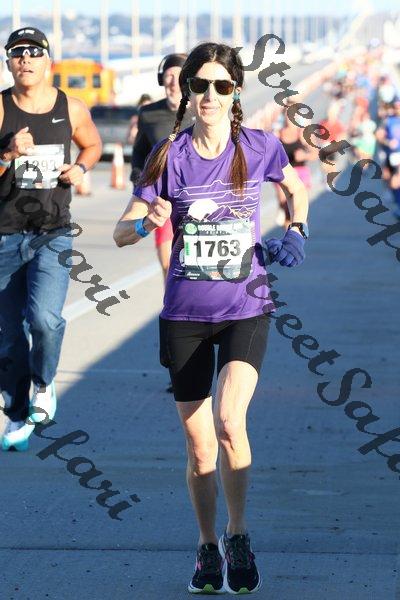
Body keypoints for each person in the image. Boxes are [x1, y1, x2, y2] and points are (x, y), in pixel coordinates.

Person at [114, 42, 309, 594]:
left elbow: (295, 189)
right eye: (200, 85)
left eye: (221, 86)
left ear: (236, 92)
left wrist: (296, 230)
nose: (209, 95)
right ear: (188, 91)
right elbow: (121, 232)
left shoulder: (259, 146)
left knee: (228, 422)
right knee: (200, 448)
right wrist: (146, 221)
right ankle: (206, 546)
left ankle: (238, 534)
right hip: (184, 314)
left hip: (246, 307)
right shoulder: (167, 156)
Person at [0, 27, 102, 451]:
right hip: (4, 236)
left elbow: (92, 145)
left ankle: (43, 383)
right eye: (16, 52)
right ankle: (16, 413)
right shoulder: (1, 108)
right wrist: (7, 154)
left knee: (44, 320)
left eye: (33, 51)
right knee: (7, 336)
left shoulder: (71, 107)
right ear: (8, 62)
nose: (25, 58)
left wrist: (81, 168)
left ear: (48, 60)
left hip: (52, 234)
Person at [130, 53, 193, 284]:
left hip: (196, 199)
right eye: (168, 75)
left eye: (178, 75)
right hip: (163, 200)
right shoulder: (148, 113)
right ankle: (172, 303)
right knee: (168, 265)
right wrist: (139, 180)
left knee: (195, 267)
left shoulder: (201, 111)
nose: (173, 82)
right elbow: (139, 152)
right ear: (161, 79)